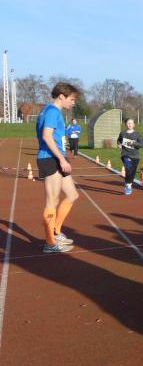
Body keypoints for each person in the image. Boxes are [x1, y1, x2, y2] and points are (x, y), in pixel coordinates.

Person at [36, 83, 81, 253]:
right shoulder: (52, 111)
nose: (73, 103)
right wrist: (62, 160)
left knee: (72, 195)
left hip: (57, 157)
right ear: (62, 96)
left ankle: (55, 230)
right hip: (50, 158)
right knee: (52, 201)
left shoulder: (52, 111)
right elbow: (46, 136)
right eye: (72, 99)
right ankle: (50, 243)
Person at [117, 118, 143, 195]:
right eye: (128, 123)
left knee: (132, 172)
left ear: (134, 125)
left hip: (135, 156)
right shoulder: (122, 133)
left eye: (131, 123)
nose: (129, 124)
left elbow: (142, 144)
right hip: (125, 154)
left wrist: (133, 143)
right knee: (128, 167)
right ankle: (128, 186)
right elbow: (119, 140)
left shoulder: (137, 134)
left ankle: (128, 184)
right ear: (125, 124)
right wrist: (119, 144)